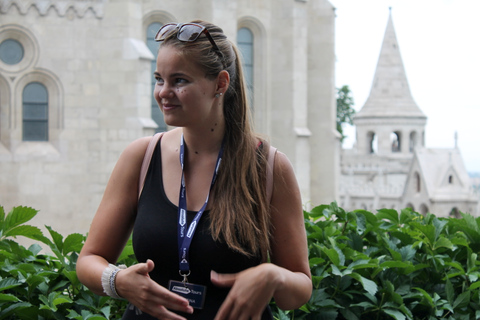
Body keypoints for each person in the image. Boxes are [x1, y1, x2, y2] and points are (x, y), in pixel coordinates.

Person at [77, 20, 312, 320]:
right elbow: (89, 261)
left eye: (179, 81)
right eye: (158, 79)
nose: (163, 92)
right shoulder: (141, 156)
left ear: (220, 84)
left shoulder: (269, 167)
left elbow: (300, 289)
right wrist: (118, 281)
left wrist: (273, 276)